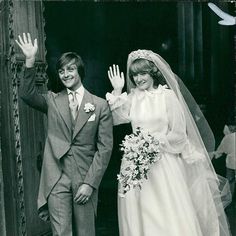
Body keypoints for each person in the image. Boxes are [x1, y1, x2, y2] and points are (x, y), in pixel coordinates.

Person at [106, 49, 231, 236]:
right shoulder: (132, 98)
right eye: (135, 75)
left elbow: (179, 135)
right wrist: (117, 90)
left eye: (143, 73)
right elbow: (117, 119)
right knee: (140, 212)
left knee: (165, 212)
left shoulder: (167, 97)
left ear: (153, 73)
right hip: (135, 166)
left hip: (164, 164)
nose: (138, 79)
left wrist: (152, 142)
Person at [15, 33, 113, 236]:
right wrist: (30, 60)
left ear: (80, 71)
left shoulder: (100, 105)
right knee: (61, 233)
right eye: (61, 71)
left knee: (85, 232)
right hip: (56, 176)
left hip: (85, 176)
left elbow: (105, 149)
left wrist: (90, 183)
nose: (65, 74)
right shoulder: (52, 100)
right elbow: (26, 94)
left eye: (70, 69)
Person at [214, 124, 236, 206]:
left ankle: (230, 200)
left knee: (230, 181)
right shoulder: (229, 137)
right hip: (231, 162)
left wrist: (216, 154)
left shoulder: (228, 137)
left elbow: (220, 150)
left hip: (231, 163)